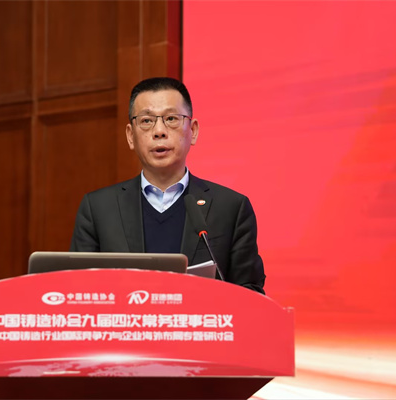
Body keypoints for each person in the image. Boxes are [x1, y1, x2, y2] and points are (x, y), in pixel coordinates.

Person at [70, 77, 265, 294]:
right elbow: (79, 291)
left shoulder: (230, 208)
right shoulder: (98, 209)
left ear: (193, 131)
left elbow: (251, 294)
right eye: (146, 121)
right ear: (130, 136)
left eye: (171, 118)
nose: (159, 131)